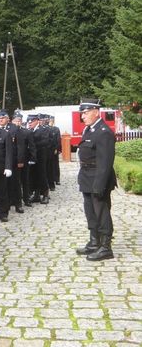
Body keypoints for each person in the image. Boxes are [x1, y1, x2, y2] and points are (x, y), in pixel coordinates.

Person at [76, 98, 116, 261]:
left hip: (98, 179)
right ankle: (94, 241)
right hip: (87, 178)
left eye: (85, 113)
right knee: (90, 212)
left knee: (102, 212)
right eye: (82, 113)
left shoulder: (104, 132)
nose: (82, 116)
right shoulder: (89, 130)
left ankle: (106, 247)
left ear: (96, 112)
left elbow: (105, 162)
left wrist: (99, 185)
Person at [28, 113, 51, 204]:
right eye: (29, 122)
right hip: (33, 157)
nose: (30, 123)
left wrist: (32, 145)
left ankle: (45, 194)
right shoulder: (30, 130)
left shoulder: (43, 130)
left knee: (42, 175)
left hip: (41, 156)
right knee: (34, 176)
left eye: (32, 121)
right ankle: (36, 195)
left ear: (37, 121)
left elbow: (45, 141)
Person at [16, 114, 37, 207]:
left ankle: (26, 199)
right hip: (12, 160)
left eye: (19, 120)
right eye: (16, 120)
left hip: (24, 159)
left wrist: (33, 158)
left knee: (25, 180)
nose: (17, 122)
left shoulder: (26, 132)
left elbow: (32, 146)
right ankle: (15, 200)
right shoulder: (9, 131)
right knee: (15, 182)